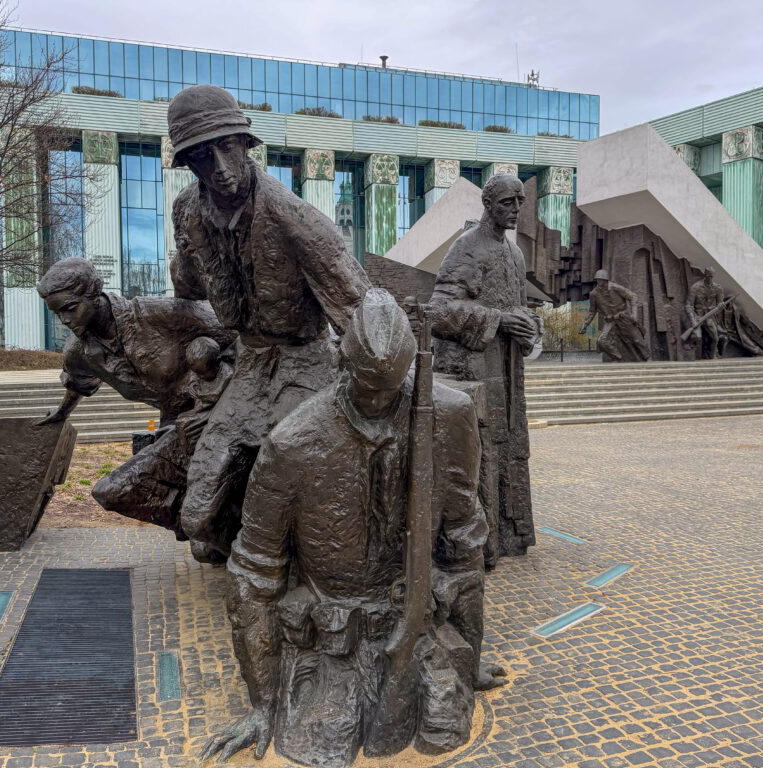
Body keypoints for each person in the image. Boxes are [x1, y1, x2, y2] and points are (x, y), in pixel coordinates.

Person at [202, 290, 505, 767]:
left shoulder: (450, 415)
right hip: (329, 638)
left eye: (392, 388)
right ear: (343, 364)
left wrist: (468, 652)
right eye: (368, 387)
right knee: (322, 746)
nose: (380, 402)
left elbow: (464, 539)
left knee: (443, 729)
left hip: (416, 625)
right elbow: (253, 577)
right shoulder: (291, 443)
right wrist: (263, 703)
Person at [167, 84, 370, 564]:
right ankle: (245, 547)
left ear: (246, 144)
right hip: (251, 362)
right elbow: (189, 285)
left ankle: (282, 566)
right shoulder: (187, 211)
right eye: (202, 156)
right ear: (189, 163)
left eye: (227, 147)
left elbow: (360, 312)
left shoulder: (296, 219)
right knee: (197, 513)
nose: (219, 167)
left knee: (281, 464)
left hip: (307, 361)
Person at [35, 257, 235, 536]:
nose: (65, 320)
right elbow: (78, 383)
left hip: (223, 408)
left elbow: (239, 336)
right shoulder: (78, 352)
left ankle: (213, 531)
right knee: (114, 492)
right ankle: (212, 529)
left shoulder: (160, 314)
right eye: (57, 314)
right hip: (177, 426)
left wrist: (224, 395)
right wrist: (62, 412)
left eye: (70, 308)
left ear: (93, 293)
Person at [428, 173, 540, 558]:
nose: (516, 209)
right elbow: (438, 310)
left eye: (520, 202)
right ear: (488, 204)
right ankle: (480, 546)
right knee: (480, 454)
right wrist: (497, 320)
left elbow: (520, 308)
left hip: (508, 373)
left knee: (509, 447)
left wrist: (530, 324)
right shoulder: (467, 247)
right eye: (508, 202)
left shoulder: (516, 253)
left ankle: (509, 534)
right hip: (475, 371)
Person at [580, 269, 651, 362]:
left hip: (623, 317)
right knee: (602, 341)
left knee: (637, 339)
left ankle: (647, 358)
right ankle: (618, 358)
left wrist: (634, 314)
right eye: (598, 279)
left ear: (606, 279)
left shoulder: (615, 288)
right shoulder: (594, 294)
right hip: (610, 320)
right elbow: (592, 312)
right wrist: (585, 325)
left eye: (601, 279)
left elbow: (633, 296)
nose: (599, 281)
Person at [685, 268, 727, 359]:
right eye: (708, 276)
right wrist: (692, 320)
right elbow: (689, 305)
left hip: (708, 316)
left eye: (712, 276)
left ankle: (712, 357)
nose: (710, 278)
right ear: (705, 275)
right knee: (696, 336)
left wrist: (720, 307)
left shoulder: (718, 288)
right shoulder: (695, 287)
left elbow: (719, 305)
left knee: (715, 338)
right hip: (697, 315)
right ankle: (690, 348)